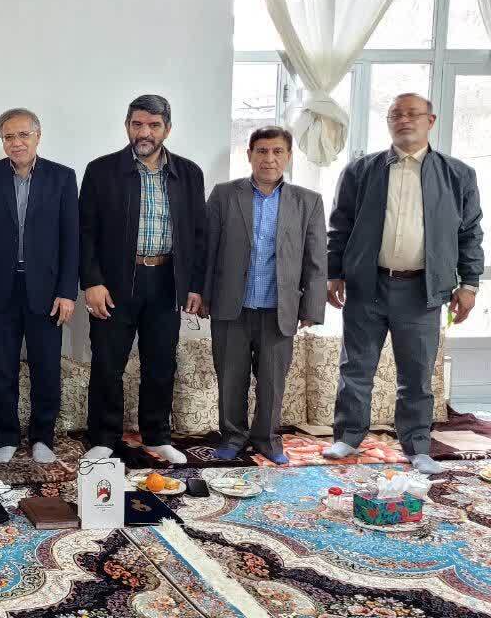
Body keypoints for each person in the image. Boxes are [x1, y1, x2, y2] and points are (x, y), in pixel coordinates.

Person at [322, 93, 483, 474]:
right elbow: (339, 226)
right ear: (389, 122)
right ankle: (348, 437)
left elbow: (470, 233)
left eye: (413, 114)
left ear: (431, 120)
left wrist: (470, 284)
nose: (404, 120)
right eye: (396, 114)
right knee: (355, 368)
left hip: (422, 291)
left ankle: (417, 445)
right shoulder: (360, 171)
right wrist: (333, 273)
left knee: (417, 373)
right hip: (368, 286)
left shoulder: (457, 174)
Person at [79, 94, 205, 465]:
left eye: (153, 125)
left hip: (166, 281)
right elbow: (85, 232)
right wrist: (92, 282)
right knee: (107, 363)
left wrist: (194, 285)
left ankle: (157, 436)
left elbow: (198, 234)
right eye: (137, 124)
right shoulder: (101, 170)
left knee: (161, 364)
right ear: (127, 126)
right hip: (114, 284)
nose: (144, 132)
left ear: (167, 129)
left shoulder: (189, 173)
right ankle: (104, 437)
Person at [201, 126, 326, 464]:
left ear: (288, 156)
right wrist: (202, 295)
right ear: (250, 155)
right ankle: (232, 437)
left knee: (272, 382)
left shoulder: (308, 201)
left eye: (277, 151)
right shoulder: (225, 195)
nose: (269, 158)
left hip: (279, 309)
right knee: (231, 378)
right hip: (231, 306)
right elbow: (207, 249)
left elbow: (316, 259)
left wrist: (311, 307)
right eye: (262, 151)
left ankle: (268, 440)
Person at [0, 108, 78, 464]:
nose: (16, 143)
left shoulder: (62, 178)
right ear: (2, 140)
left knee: (46, 367)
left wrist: (67, 292)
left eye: (23, 135)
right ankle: (6, 436)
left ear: (37, 136)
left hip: (46, 291)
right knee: (2, 368)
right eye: (8, 137)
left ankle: (43, 437)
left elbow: (71, 240)